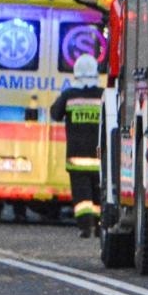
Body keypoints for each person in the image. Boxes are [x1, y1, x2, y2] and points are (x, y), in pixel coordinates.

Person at [50, 53, 103, 237]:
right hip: (99, 158)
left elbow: (54, 114)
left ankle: (84, 227)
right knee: (98, 195)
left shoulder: (69, 96)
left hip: (77, 158)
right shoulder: (103, 96)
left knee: (82, 197)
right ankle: (98, 227)